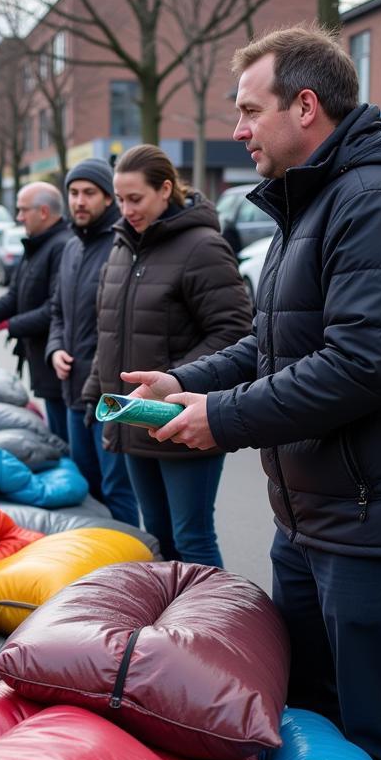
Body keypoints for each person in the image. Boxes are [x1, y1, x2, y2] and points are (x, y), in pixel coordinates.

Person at [123, 25, 381, 760]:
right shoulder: (318, 197)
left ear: (306, 106)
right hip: (325, 515)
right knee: (317, 712)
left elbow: (361, 366)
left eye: (250, 111)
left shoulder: (376, 201)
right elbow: (274, 341)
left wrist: (220, 418)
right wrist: (185, 379)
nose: (238, 130)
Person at [82, 145, 251, 565]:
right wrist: (94, 392)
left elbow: (233, 332)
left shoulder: (203, 247)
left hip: (181, 416)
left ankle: (214, 627)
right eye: (120, 200)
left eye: (135, 199)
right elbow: (110, 332)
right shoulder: (122, 247)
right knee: (156, 537)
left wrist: (177, 380)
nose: (126, 209)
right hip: (134, 415)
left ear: (165, 190)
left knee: (191, 538)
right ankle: (172, 626)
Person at [46, 158, 138, 524]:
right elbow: (57, 310)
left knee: (118, 491)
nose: (79, 201)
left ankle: (134, 568)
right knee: (86, 489)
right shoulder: (71, 248)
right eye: (73, 193)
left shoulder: (121, 247)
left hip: (109, 396)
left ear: (107, 199)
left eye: (89, 193)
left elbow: (121, 325)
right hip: (72, 392)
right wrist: (55, 348)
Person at [0, 181, 72, 441]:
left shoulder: (62, 247)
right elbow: (15, 295)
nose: (18, 217)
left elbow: (54, 309)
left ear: (42, 212)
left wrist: (6, 325)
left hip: (56, 358)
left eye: (22, 210)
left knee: (64, 439)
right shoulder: (37, 245)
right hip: (40, 358)